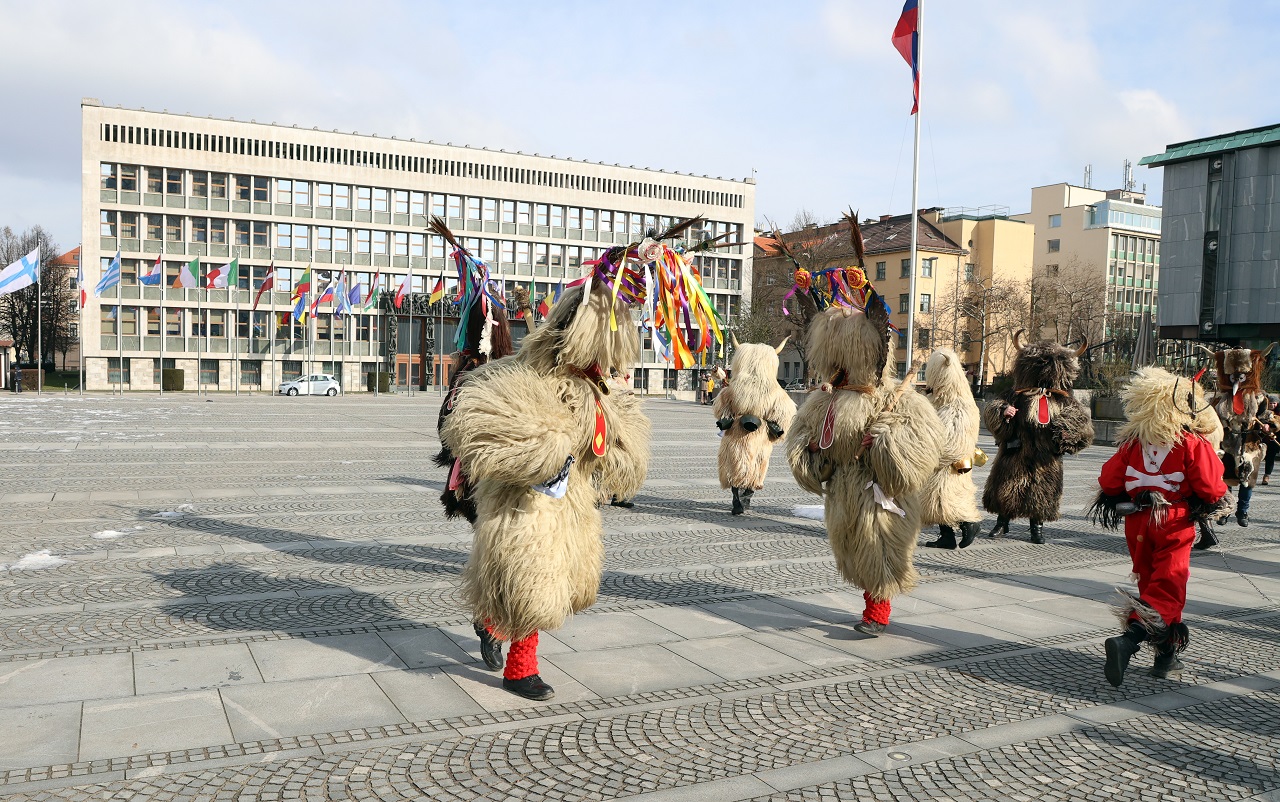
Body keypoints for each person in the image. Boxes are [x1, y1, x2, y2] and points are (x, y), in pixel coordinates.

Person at [786, 289, 944, 636]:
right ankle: (872, 606)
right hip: (843, 492)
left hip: (880, 494)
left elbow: (922, 446)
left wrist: (885, 441)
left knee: (881, 551)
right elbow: (801, 438)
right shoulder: (823, 401)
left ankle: (877, 614)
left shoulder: (898, 399)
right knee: (853, 554)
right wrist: (811, 450)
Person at [1090, 367, 1228, 686]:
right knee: (1170, 585)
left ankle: (1166, 656)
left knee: (1152, 584)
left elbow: (1109, 482)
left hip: (1137, 520)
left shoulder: (1133, 442)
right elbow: (1211, 488)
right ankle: (1130, 640)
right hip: (1173, 519)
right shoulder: (1191, 442)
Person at [982, 331, 1094, 544]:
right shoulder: (1016, 394)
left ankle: (1037, 528)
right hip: (1016, 453)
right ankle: (1002, 522)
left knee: (1042, 492)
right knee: (1007, 489)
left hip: (1046, 458)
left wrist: (1067, 433)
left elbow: (1081, 424)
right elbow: (992, 410)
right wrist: (1004, 411)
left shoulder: (1063, 400)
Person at [715, 333, 796, 515]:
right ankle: (746, 497)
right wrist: (777, 431)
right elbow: (785, 414)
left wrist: (729, 417)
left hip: (735, 433)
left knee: (736, 465)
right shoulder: (774, 390)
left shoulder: (734, 388)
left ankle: (737, 497)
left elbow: (720, 410)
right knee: (756, 466)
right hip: (761, 434)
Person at [919, 348, 984, 549]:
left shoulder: (960, 404)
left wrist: (931, 453)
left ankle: (969, 523)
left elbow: (957, 440)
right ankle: (946, 537)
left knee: (949, 499)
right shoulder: (936, 399)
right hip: (937, 462)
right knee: (935, 501)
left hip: (952, 465)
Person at [1209, 345, 1275, 527]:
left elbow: (1266, 417)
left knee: (1248, 481)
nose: (1237, 378)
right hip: (1226, 444)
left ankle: (1242, 511)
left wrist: (1267, 425)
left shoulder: (1259, 398)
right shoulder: (1219, 399)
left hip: (1248, 445)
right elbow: (1210, 419)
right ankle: (1225, 510)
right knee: (1225, 479)